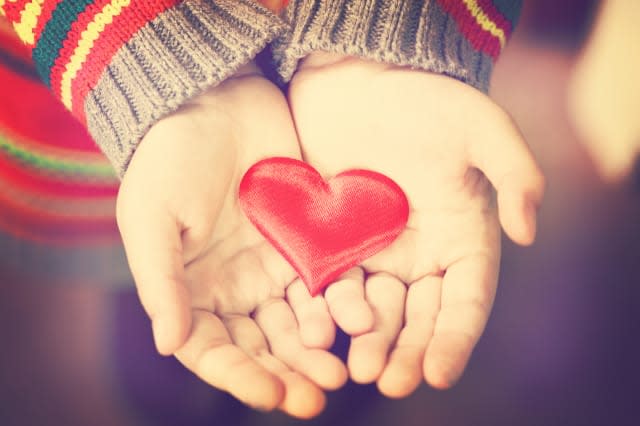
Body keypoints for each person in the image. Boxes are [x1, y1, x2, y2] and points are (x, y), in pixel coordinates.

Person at [0, 0, 544, 419]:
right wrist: (142, 47)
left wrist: (395, 27)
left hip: (390, 68)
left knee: (361, 330)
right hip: (91, 122)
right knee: (160, 260)